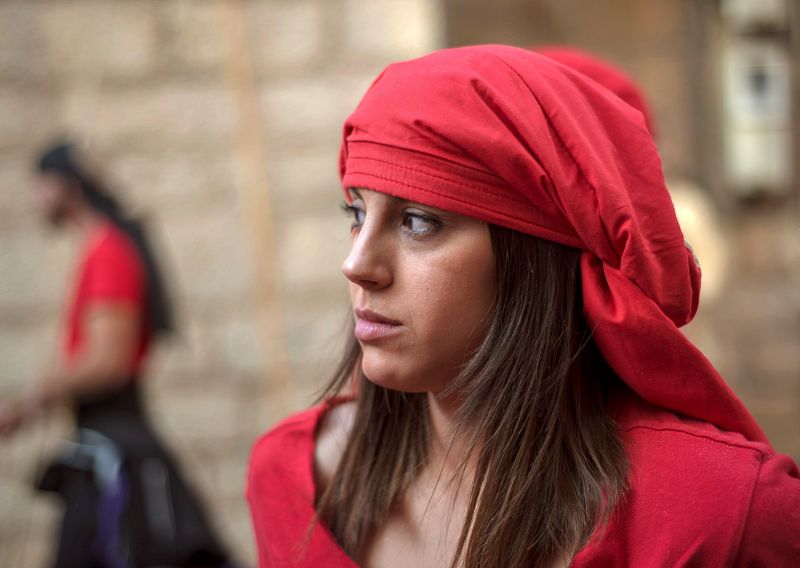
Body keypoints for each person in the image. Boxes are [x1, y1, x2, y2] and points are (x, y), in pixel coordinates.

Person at [246, 45, 800, 567]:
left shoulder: (720, 512)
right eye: (357, 214)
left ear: (533, 260)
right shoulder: (293, 480)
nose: (357, 264)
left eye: (419, 221)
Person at [0, 140, 234, 568]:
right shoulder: (98, 246)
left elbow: (109, 360)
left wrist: (34, 398)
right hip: (105, 439)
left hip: (117, 445)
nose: (34, 199)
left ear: (61, 186)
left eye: (39, 186)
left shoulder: (107, 249)